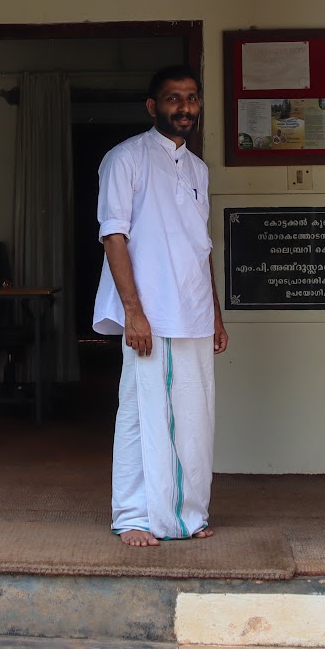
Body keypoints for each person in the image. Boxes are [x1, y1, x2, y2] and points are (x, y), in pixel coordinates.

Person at [93, 65, 229, 548]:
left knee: (194, 418)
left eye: (192, 98)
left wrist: (214, 312)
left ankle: (188, 515)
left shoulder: (197, 169)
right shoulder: (125, 158)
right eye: (174, 98)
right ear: (154, 106)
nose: (185, 107)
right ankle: (134, 515)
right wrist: (133, 311)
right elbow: (114, 234)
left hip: (191, 311)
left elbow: (201, 246)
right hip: (152, 311)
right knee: (141, 413)